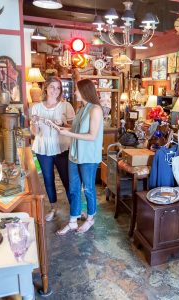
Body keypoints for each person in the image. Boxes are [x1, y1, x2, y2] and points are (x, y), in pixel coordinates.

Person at [53, 79, 104, 235]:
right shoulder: (82, 109)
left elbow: (92, 135)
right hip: (74, 155)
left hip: (88, 157)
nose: (74, 92)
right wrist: (62, 125)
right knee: (74, 189)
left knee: (88, 189)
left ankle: (90, 219)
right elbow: (76, 129)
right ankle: (73, 221)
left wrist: (68, 133)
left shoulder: (95, 109)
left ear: (84, 91)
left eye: (77, 89)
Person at [30, 76, 75, 222]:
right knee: (48, 179)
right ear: (46, 88)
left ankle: (75, 210)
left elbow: (74, 128)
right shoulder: (36, 107)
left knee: (67, 179)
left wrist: (62, 124)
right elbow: (35, 133)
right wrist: (34, 122)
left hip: (61, 147)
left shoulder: (65, 106)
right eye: (52, 87)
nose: (55, 91)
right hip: (43, 148)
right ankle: (53, 208)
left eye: (58, 88)